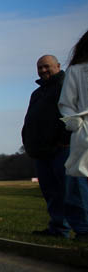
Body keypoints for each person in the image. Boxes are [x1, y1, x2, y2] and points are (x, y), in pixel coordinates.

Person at [22, 54, 88, 239]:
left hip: (63, 148)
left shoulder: (67, 86)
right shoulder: (37, 93)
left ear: (58, 66)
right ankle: (59, 228)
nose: (43, 70)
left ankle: (84, 230)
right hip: (42, 152)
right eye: (40, 67)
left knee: (73, 192)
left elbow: (77, 115)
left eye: (47, 66)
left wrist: (65, 138)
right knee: (52, 193)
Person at [58, 29, 88, 242]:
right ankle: (83, 230)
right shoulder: (77, 71)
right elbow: (67, 103)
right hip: (84, 131)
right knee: (78, 184)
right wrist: (74, 122)